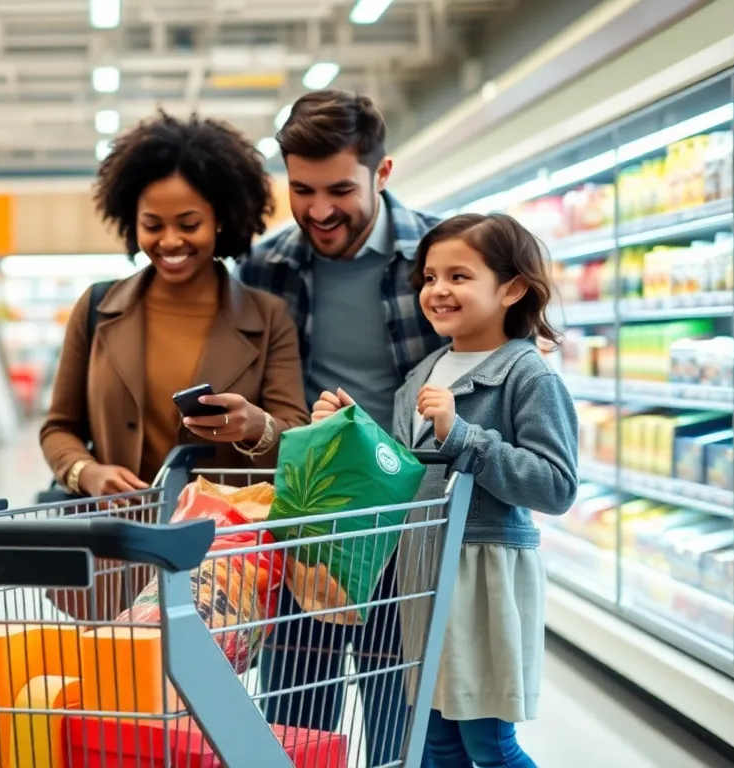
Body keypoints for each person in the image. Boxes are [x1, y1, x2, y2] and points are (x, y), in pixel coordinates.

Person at [312, 212, 578, 767]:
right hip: (422, 575)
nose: (437, 290)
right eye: (430, 277)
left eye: (459, 276)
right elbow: (400, 474)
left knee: (490, 743)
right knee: (434, 741)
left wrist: (463, 437)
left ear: (512, 288)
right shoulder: (423, 372)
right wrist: (348, 429)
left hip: (484, 573)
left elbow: (555, 486)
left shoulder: (528, 375)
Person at [237, 90, 446, 764]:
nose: (319, 210)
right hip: (311, 529)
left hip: (410, 533)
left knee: (400, 727)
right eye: (302, 190)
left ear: (382, 174)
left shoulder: (439, 260)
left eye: (339, 189)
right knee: (293, 725)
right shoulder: (266, 268)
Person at [40, 111, 310, 618]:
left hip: (221, 562)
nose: (169, 242)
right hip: (118, 554)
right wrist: (87, 472)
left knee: (200, 694)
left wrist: (255, 427)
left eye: (189, 224)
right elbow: (59, 428)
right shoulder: (98, 308)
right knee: (119, 689)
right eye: (152, 225)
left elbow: (293, 431)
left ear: (222, 218)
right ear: (130, 219)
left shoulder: (268, 317)